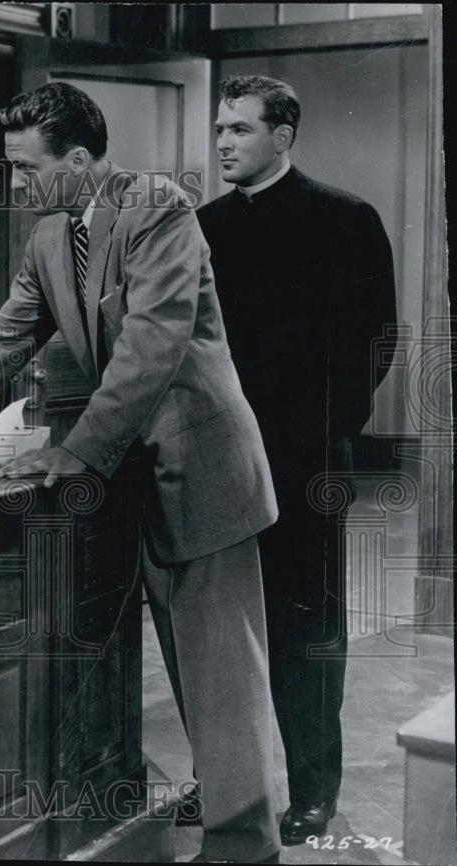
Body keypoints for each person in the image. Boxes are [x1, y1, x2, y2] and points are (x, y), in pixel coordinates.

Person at [0, 82, 281, 864]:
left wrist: (76, 451)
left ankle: (246, 844)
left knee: (221, 676)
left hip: (202, 466)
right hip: (135, 474)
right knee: (190, 671)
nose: (15, 186)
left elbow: (150, 347)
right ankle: (229, 807)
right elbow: (3, 337)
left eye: (25, 170)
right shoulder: (52, 236)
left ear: (78, 159)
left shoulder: (158, 209)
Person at [196, 75, 397, 845]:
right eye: (220, 128)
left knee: (306, 627)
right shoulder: (202, 225)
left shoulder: (344, 218)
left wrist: (321, 439)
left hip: (304, 462)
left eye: (240, 130)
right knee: (219, 628)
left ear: (283, 136)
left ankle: (313, 789)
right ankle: (230, 783)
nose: (223, 142)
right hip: (216, 459)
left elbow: (371, 346)